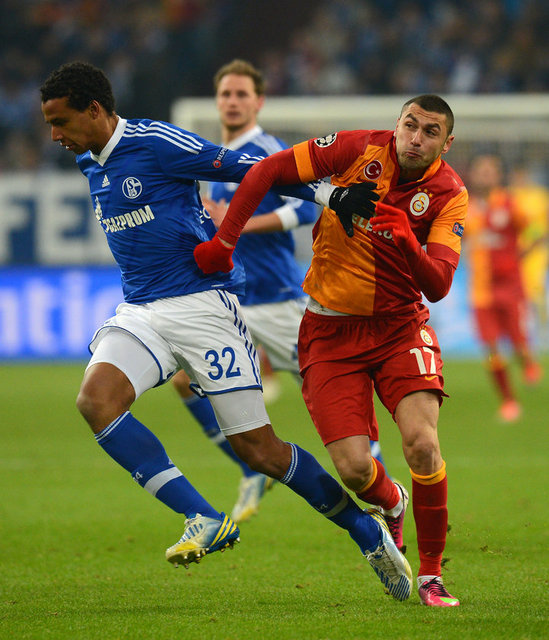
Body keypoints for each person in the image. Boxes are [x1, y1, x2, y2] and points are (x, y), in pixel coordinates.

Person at [40, 61, 413, 601]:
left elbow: (252, 168)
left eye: (60, 121)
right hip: (141, 309)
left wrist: (330, 195)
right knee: (95, 401)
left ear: (94, 109)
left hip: (204, 308)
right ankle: (202, 515)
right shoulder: (87, 160)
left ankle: (363, 528)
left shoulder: (156, 142)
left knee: (260, 451)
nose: (54, 135)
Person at [194, 94, 466, 607]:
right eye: (410, 125)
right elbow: (266, 171)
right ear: (397, 124)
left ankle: (431, 576)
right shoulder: (353, 149)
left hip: (399, 329)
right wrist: (224, 242)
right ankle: (392, 501)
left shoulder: (450, 193)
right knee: (355, 471)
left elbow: (439, 285)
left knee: (422, 445)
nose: (416, 138)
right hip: (328, 332)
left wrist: (408, 241)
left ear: (446, 143)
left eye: (430, 132)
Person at [171, 59, 390, 524]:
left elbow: (307, 211)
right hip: (229, 300)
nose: (232, 101)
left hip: (278, 300)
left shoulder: (266, 149)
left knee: (335, 398)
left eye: (241, 94)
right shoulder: (215, 158)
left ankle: (381, 494)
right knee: (184, 381)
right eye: (226, 94)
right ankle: (250, 470)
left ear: (259, 101)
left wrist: (236, 226)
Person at [466, 154, 543, 422]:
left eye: (490, 170)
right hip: (481, 291)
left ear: (499, 175)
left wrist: (521, 254)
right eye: (481, 170)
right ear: (473, 174)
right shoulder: (465, 208)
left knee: (519, 342)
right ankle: (508, 400)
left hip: (511, 288)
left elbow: (536, 232)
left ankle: (528, 363)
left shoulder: (510, 205)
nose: (485, 175)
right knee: (491, 349)